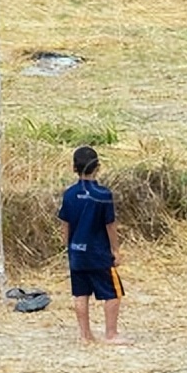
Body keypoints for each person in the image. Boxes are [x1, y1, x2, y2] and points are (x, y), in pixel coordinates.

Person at [58, 146, 128, 344]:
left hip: (76, 253)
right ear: (98, 167)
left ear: (74, 168)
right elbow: (110, 225)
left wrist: (67, 245)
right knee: (113, 293)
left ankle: (85, 334)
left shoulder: (69, 194)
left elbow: (65, 223)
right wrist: (115, 249)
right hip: (98, 253)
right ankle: (111, 333)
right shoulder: (103, 194)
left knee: (81, 293)